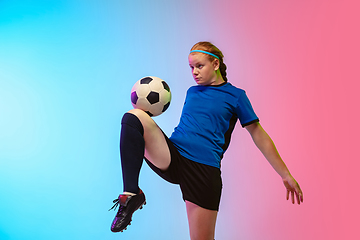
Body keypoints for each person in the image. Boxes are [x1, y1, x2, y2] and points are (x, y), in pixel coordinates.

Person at [109, 41, 303, 240]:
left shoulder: (236, 96)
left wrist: (285, 174)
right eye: (191, 67)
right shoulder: (192, 92)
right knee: (133, 117)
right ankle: (132, 194)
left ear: (216, 64)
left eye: (199, 66)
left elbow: (259, 135)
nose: (194, 72)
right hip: (173, 156)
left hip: (203, 171)